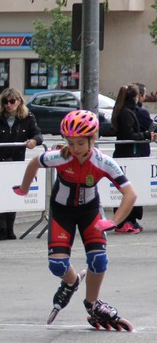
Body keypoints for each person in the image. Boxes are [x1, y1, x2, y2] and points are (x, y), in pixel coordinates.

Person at [13, 110, 136, 331]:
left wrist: (114, 221)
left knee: (98, 260)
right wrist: (24, 189)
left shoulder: (103, 162)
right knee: (57, 264)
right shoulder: (60, 156)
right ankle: (71, 281)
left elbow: (130, 194)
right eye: (70, 143)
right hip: (62, 212)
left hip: (90, 212)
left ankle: (93, 304)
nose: (75, 148)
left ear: (93, 138)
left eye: (80, 143)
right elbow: (34, 163)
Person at [0, 87, 43, 240]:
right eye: (5, 102)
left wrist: (34, 141)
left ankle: (10, 228)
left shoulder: (27, 117)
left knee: (13, 193)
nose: (9, 105)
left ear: (19, 101)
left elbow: (38, 134)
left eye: (12, 101)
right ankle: (1, 229)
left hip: (16, 162)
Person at [111, 83, 155, 234]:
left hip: (126, 154)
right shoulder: (127, 113)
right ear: (135, 97)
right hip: (129, 155)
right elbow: (129, 135)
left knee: (127, 189)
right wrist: (146, 135)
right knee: (129, 190)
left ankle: (127, 220)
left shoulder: (123, 111)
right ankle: (124, 221)